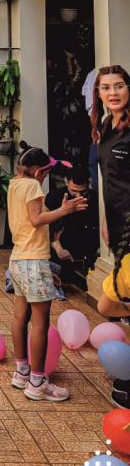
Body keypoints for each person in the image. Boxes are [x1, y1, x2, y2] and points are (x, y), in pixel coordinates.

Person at [7, 143, 87, 402]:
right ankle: (38, 382)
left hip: (18, 259)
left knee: (20, 317)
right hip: (34, 259)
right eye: (44, 173)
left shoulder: (14, 184)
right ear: (38, 171)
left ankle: (22, 372)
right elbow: (36, 219)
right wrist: (64, 210)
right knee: (40, 322)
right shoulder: (32, 186)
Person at [92, 66, 130, 409]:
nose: (113, 92)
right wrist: (106, 217)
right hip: (118, 231)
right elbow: (111, 182)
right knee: (109, 305)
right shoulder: (105, 128)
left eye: (119, 86)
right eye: (106, 87)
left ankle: (128, 380)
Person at [45, 166, 99, 291]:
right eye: (74, 191)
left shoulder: (95, 199)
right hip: (59, 247)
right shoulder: (55, 196)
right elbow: (47, 225)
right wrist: (58, 247)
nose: (78, 196)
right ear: (66, 182)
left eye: (83, 192)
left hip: (85, 250)